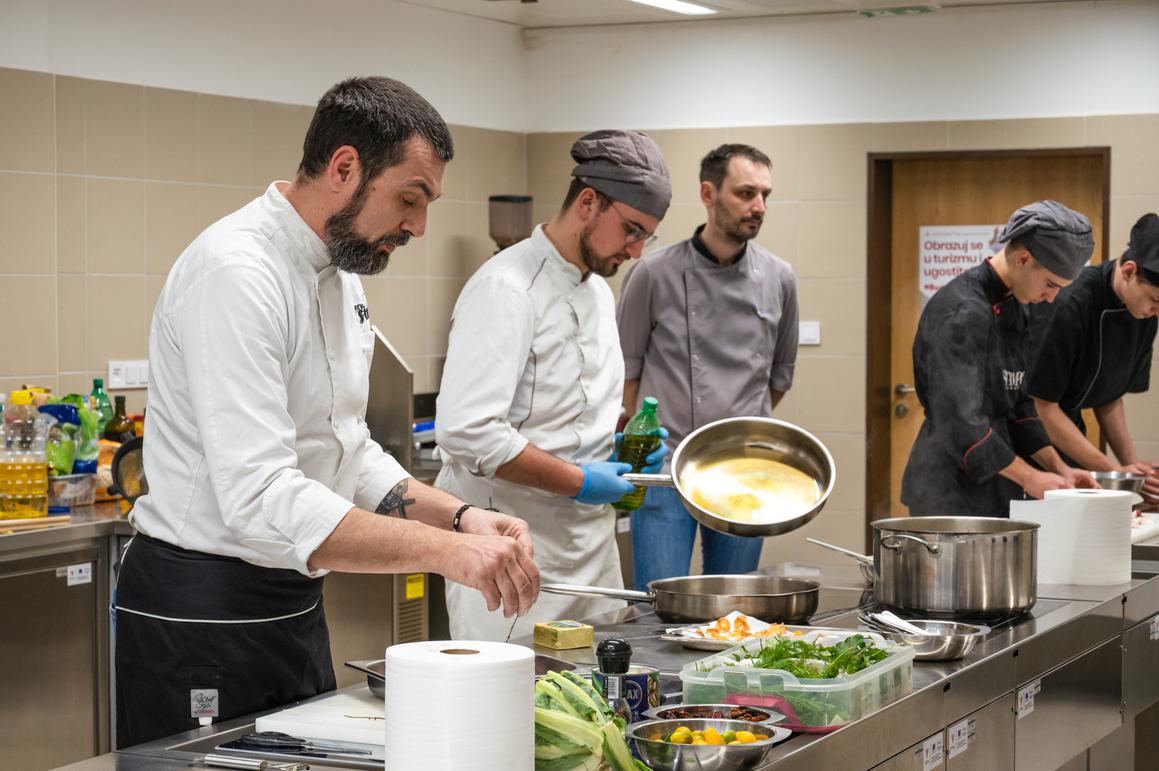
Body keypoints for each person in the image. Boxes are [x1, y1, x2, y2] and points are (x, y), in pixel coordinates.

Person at [114, 77, 540, 748]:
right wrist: (450, 553)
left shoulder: (340, 275)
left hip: (293, 606)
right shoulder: (236, 272)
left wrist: (460, 514)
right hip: (202, 613)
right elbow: (260, 495)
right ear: (345, 168)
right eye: (409, 198)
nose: (418, 226)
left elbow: (348, 447)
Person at [435, 130, 672, 641]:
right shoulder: (505, 288)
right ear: (588, 202)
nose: (635, 250)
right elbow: (468, 433)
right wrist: (581, 482)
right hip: (513, 552)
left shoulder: (598, 294)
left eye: (646, 237)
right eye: (631, 230)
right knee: (515, 706)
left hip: (592, 552)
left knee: (602, 701)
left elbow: (580, 409)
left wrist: (628, 441)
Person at [615, 144, 798, 589]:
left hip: (746, 470)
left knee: (736, 611)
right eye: (746, 193)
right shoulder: (653, 274)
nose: (759, 207)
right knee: (660, 607)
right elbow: (626, 374)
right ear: (708, 194)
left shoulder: (780, 278)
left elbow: (778, 377)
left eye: (765, 196)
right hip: (669, 469)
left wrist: (737, 428)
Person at [902, 200, 1098, 518]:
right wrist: (1031, 477)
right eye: (1050, 284)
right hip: (947, 491)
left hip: (998, 483)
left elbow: (1019, 404)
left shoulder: (1014, 303)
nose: (1052, 297)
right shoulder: (963, 311)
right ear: (1023, 258)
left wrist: (1060, 469)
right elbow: (960, 422)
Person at [1026, 213, 1159, 500]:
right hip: (1030, 442)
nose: (1156, 311)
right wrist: (1115, 473)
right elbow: (1041, 407)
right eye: (1156, 300)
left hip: (1069, 436)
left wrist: (1132, 470)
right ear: (1128, 271)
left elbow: (1109, 396)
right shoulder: (1071, 302)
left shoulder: (1145, 314)